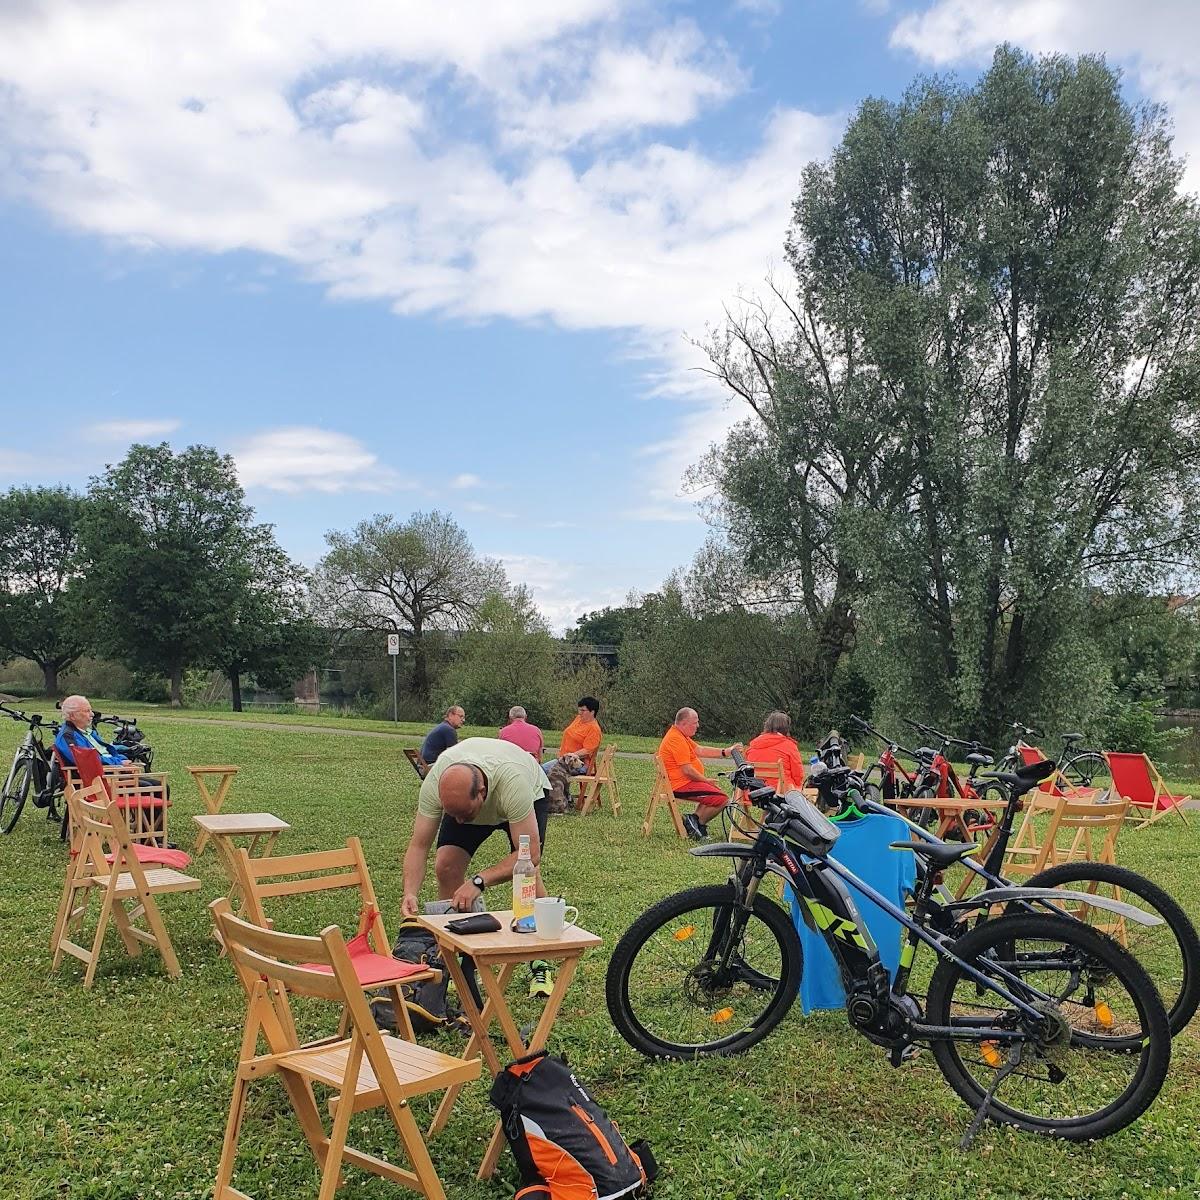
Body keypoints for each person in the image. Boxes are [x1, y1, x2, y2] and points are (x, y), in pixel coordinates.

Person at [400, 736, 556, 998]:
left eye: (463, 813)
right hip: (478, 792)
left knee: (527, 873)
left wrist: (479, 881)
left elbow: (530, 855)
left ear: (482, 792)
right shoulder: (436, 784)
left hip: (525, 788)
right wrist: (410, 892)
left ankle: (541, 963)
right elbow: (418, 846)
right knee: (446, 865)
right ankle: (460, 962)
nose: (458, 820)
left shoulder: (513, 783)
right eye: (452, 813)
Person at [657, 708, 742, 841]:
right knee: (723, 799)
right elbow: (687, 770)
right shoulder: (676, 739)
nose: (698, 725)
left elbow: (700, 750)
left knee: (715, 793)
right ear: (684, 723)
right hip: (679, 785)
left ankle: (695, 822)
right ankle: (695, 822)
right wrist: (705, 781)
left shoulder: (680, 735)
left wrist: (726, 751)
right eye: (695, 722)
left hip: (683, 783)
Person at [744, 711, 806, 792]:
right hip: (782, 790)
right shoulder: (790, 746)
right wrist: (798, 786)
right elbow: (798, 774)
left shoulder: (753, 745)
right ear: (786, 728)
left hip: (754, 791)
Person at [558, 696, 602, 771]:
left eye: (583, 710)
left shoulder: (594, 729)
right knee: (540, 769)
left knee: (544, 771)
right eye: (579, 710)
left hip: (579, 763)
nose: (580, 713)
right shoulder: (578, 719)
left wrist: (570, 756)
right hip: (564, 760)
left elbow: (587, 751)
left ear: (592, 712)